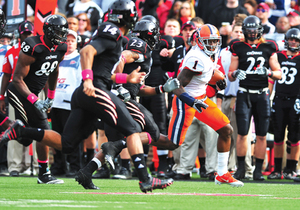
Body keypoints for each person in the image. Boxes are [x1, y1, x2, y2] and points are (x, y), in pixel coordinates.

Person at [0, 0, 173, 193]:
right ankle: (145, 179)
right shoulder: (113, 32)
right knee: (132, 129)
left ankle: (21, 132)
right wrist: (89, 80)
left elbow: (106, 68)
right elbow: (87, 51)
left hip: (86, 92)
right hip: (95, 89)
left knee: (66, 144)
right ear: (128, 17)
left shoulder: (115, 35)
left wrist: (126, 78)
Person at [168, 23, 244, 187]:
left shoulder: (209, 54)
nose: (212, 45)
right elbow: (176, 85)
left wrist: (217, 82)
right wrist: (191, 101)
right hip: (186, 101)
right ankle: (131, 140)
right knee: (172, 143)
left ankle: (222, 174)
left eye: (215, 41)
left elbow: (203, 76)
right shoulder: (196, 57)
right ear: (199, 41)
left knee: (226, 129)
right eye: (208, 41)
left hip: (201, 99)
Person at [0, 14, 68, 184]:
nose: (62, 36)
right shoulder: (32, 45)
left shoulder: (61, 47)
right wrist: (34, 100)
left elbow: (54, 70)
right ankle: (43, 173)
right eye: (59, 32)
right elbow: (16, 78)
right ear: (49, 31)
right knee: (39, 132)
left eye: (63, 32)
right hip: (19, 92)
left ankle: (43, 172)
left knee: (36, 133)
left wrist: (51, 96)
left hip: (36, 93)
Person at [228, 15, 282, 181]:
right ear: (244, 30)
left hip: (262, 94)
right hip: (244, 93)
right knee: (242, 134)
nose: (251, 33)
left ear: (259, 30)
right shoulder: (237, 46)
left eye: (254, 30)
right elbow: (230, 75)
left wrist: (269, 73)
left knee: (261, 135)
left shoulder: (269, 46)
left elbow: (279, 73)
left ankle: (258, 170)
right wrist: (236, 73)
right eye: (249, 30)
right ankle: (241, 169)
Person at [1, 21, 35, 177]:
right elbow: (6, 75)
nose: (27, 36)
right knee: (14, 126)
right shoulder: (11, 52)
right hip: (15, 91)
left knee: (35, 126)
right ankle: (14, 165)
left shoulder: (38, 50)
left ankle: (32, 165)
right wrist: (2, 96)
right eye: (24, 34)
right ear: (19, 35)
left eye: (29, 33)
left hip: (33, 90)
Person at [49, 29, 82, 178]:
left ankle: (75, 166)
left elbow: (81, 81)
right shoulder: (57, 57)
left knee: (73, 136)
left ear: (76, 42)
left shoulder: (79, 59)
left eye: (72, 41)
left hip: (70, 103)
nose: (69, 43)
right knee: (56, 136)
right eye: (66, 40)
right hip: (55, 102)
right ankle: (58, 165)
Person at [268, 28, 300, 180]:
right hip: (279, 99)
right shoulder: (278, 56)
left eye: (296, 40)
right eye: (291, 39)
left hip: (296, 100)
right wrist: (268, 96)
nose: (293, 42)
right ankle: (277, 169)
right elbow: (271, 78)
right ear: (286, 40)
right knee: (278, 136)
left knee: (295, 136)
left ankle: (291, 169)